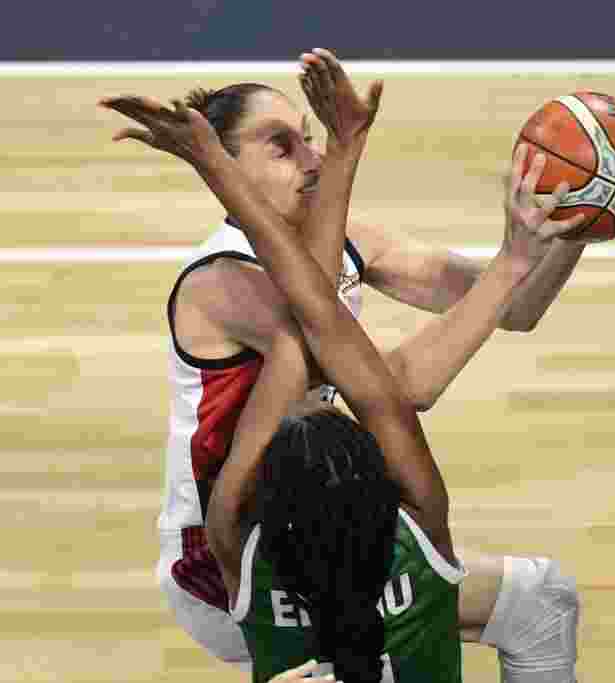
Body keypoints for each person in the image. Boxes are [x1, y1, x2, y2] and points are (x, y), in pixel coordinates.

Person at [101, 49, 582, 682]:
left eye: (309, 137)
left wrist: (579, 220)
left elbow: (513, 307)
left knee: (526, 604)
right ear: (227, 170)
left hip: (318, 518)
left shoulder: (353, 239)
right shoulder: (223, 279)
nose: (312, 159)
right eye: (280, 147)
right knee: (530, 603)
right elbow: (399, 386)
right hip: (228, 559)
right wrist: (513, 259)